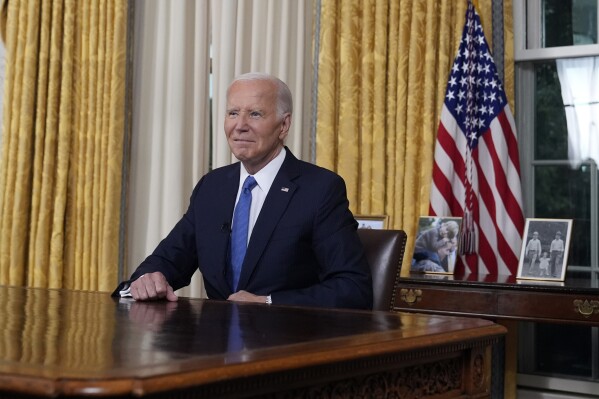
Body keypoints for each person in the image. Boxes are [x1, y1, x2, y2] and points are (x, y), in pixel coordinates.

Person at [113, 73, 373, 310]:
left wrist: (268, 302)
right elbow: (169, 259)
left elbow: (353, 288)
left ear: (284, 125)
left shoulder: (319, 189)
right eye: (233, 113)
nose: (240, 125)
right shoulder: (212, 187)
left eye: (255, 114)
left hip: (285, 346)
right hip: (213, 347)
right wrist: (148, 279)